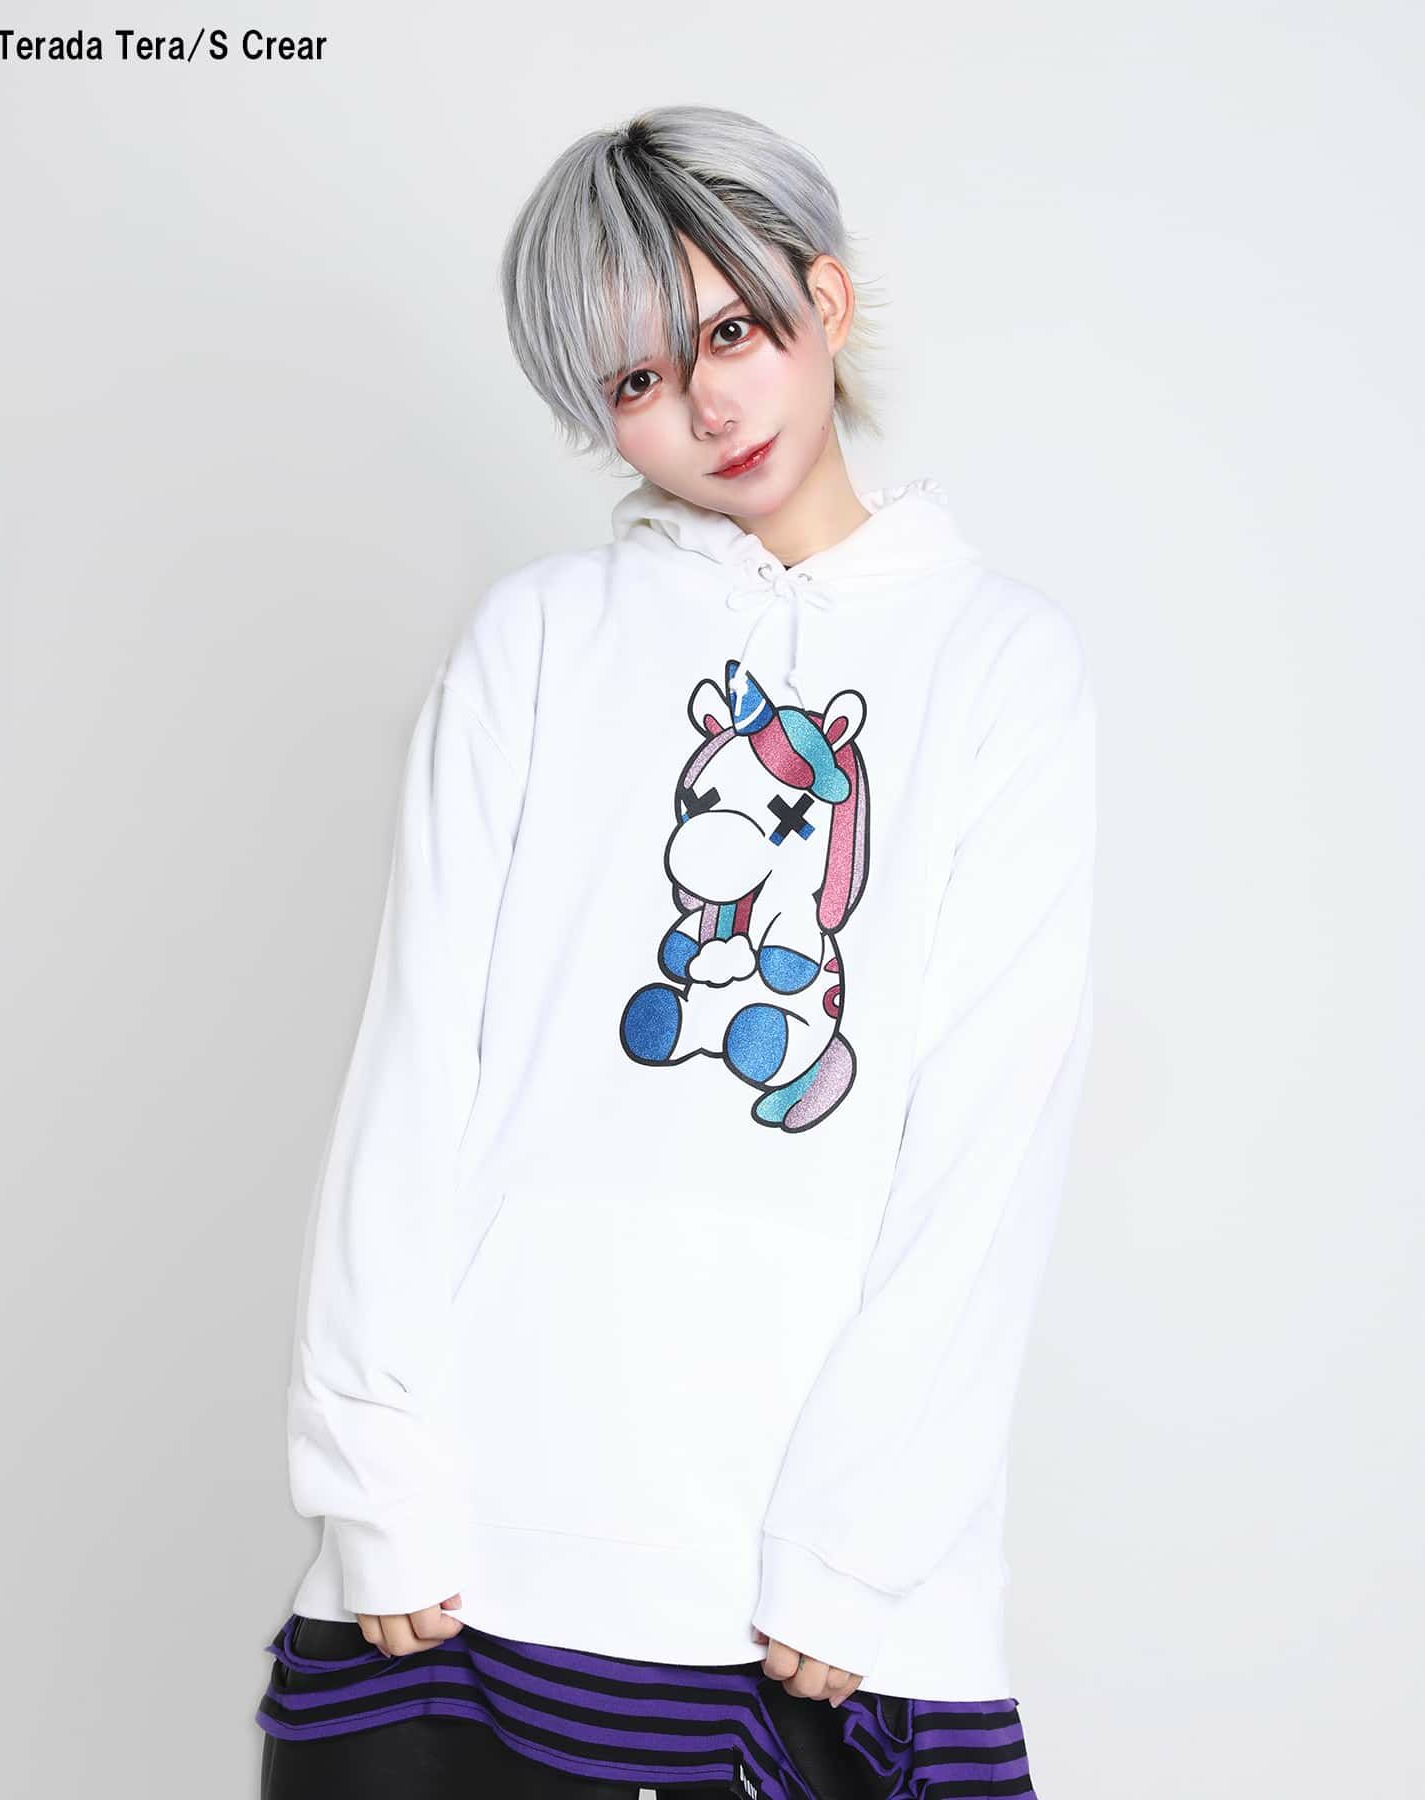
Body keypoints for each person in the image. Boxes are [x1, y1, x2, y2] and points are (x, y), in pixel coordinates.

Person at [254, 103, 1096, 1800]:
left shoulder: (1000, 667)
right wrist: (374, 1467)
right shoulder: (539, 642)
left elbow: (988, 1141)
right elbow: (418, 1064)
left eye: (731, 332)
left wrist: (862, 1539)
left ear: (824, 302)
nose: (706, 406)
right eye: (638, 378)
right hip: (476, 1546)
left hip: (820, 1579)